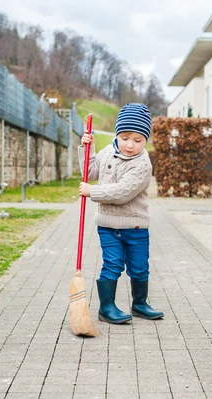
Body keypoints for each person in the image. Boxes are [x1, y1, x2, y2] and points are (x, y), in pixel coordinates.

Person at [78, 103, 163, 324]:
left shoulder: (143, 164)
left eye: (138, 140)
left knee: (139, 266)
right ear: (117, 134)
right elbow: (89, 172)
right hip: (108, 226)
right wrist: (86, 149)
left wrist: (92, 192)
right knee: (112, 264)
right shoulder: (108, 152)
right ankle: (106, 308)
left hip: (135, 226)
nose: (130, 145)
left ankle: (140, 304)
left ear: (146, 141)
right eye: (125, 137)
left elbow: (122, 192)